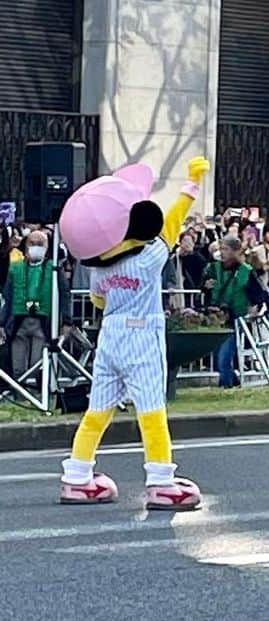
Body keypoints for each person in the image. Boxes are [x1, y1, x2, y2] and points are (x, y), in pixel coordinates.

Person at [55, 157, 210, 510]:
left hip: (110, 337)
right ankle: (161, 480)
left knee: (98, 410)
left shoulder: (97, 271)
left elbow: (97, 300)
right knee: (151, 411)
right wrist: (191, 185)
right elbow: (172, 223)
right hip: (142, 335)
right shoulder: (149, 257)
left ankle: (77, 475)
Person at [1, 228, 72, 388]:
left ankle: (36, 394)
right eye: (32, 243)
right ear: (25, 245)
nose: (36, 247)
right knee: (17, 365)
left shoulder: (54, 269)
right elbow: (8, 297)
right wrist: (1, 322)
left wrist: (67, 321)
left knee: (37, 363)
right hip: (18, 323)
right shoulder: (15, 268)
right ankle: (19, 393)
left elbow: (64, 295)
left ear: (47, 248)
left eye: (40, 244)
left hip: (43, 322)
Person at [202, 234, 266, 387]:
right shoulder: (212, 268)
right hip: (215, 318)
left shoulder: (247, 271)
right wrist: (205, 286)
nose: (223, 252)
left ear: (236, 251)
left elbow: (259, 294)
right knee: (218, 357)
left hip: (235, 319)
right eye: (221, 249)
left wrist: (254, 308)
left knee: (224, 356)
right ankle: (233, 381)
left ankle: (226, 386)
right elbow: (203, 287)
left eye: (226, 249)